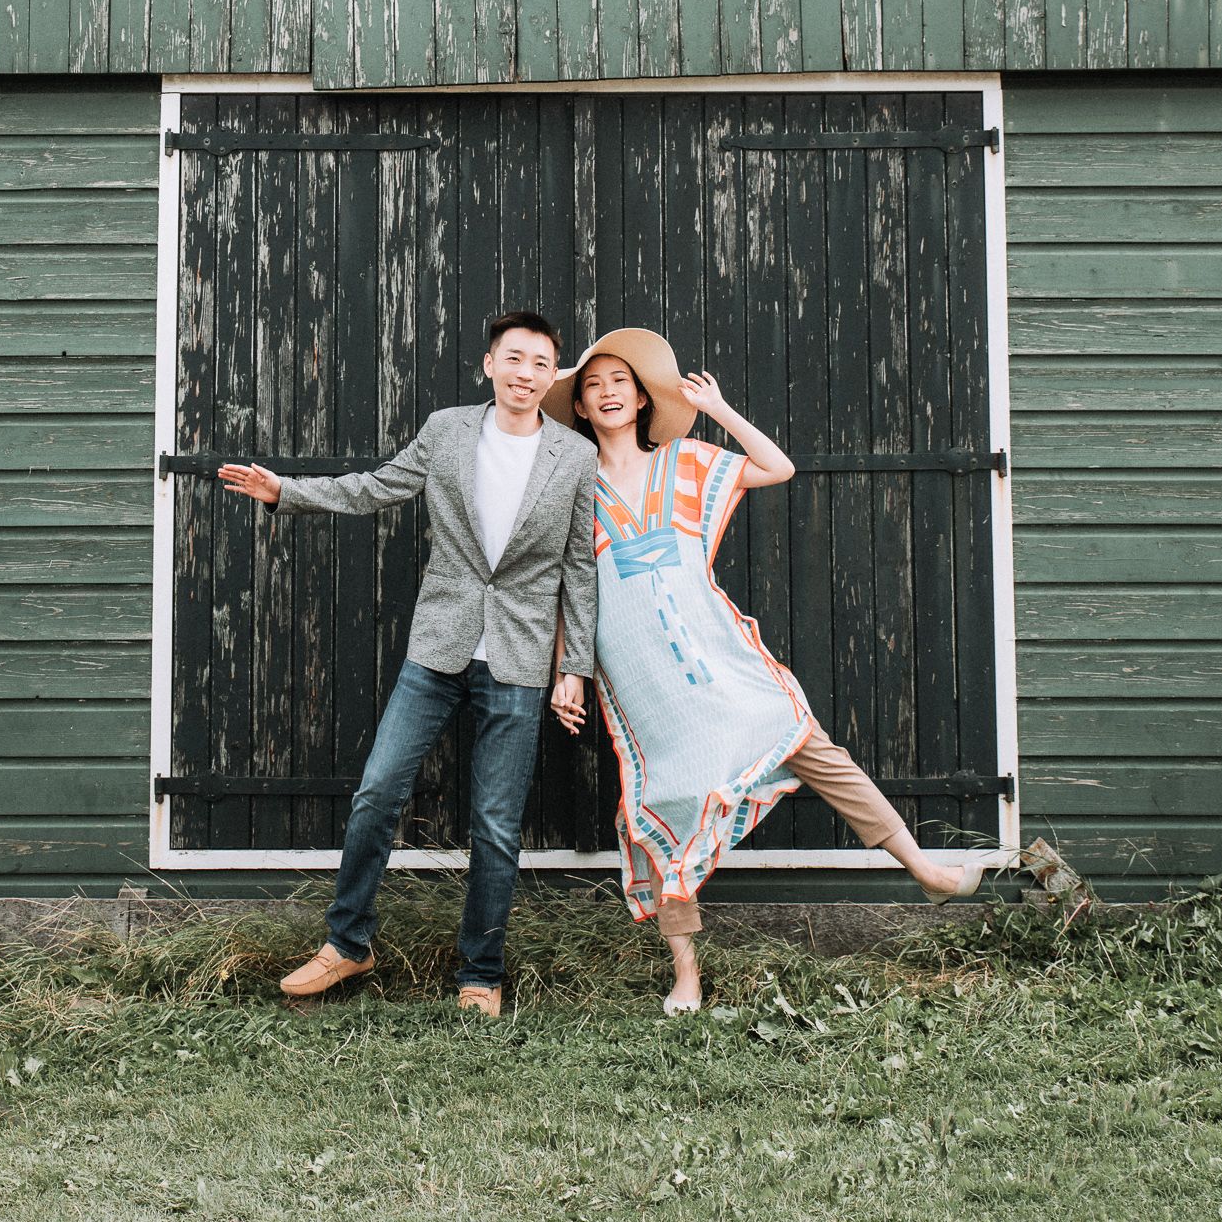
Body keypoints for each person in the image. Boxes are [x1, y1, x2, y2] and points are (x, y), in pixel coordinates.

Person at [544, 327, 987, 1016]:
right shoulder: (572, 490)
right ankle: (685, 973)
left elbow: (776, 467)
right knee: (663, 807)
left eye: (618, 382)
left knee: (810, 745)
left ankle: (924, 869)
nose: (605, 393)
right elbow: (565, 590)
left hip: (716, 656)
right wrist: (566, 672)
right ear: (578, 406)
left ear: (641, 398)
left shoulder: (686, 461)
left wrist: (717, 409)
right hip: (643, 681)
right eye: (591, 386)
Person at [219, 311, 596, 1018]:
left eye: (541, 363)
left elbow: (579, 568)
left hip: (517, 658)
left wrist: (573, 665)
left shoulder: (575, 457)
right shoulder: (447, 430)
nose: (526, 373)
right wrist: (287, 492)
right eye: (514, 358)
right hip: (438, 648)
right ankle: (347, 943)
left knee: (495, 826)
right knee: (376, 793)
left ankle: (480, 973)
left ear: (553, 376)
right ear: (490, 365)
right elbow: (376, 487)